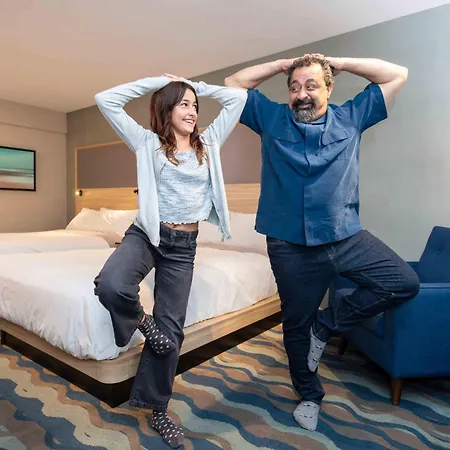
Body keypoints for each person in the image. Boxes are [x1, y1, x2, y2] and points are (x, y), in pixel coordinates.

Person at [225, 54, 419, 431]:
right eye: (295, 87)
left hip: (344, 237)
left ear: (329, 89)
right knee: (295, 324)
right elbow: (234, 84)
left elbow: (398, 74)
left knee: (402, 282)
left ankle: (326, 324)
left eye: (312, 85)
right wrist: (280, 65)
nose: (302, 94)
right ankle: (309, 395)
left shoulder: (352, 116)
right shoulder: (271, 118)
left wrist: (341, 61)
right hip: (289, 246)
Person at [93, 74, 247, 448]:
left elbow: (238, 99)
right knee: (111, 284)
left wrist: (195, 86)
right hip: (148, 234)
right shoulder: (147, 143)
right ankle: (143, 323)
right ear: (166, 108)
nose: (192, 111)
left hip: (184, 246)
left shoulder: (209, 142)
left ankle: (158, 408)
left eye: (195, 105)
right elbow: (105, 99)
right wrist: (156, 82)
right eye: (183, 104)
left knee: (172, 328)